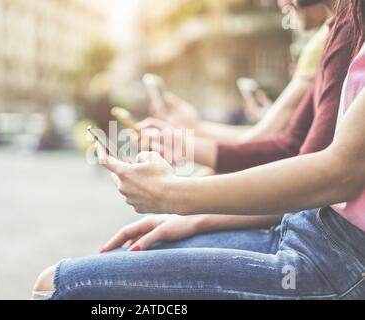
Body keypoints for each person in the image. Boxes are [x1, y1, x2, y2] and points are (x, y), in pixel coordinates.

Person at [33, 0, 365, 300]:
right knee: (111, 262)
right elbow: (302, 156)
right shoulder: (347, 20)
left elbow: (322, 166)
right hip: (308, 233)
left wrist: (177, 195)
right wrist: (188, 199)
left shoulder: (344, 25)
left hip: (333, 258)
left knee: (61, 288)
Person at [152, 0, 332, 144]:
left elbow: (261, 139)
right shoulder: (331, 33)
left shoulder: (321, 42)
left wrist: (191, 131)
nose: (281, 3)